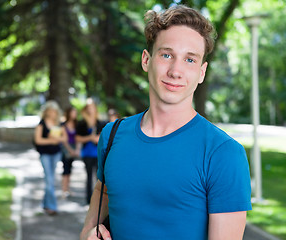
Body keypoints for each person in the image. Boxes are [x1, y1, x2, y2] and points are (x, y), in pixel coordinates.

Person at [80, 5, 252, 240]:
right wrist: (86, 234)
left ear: (201, 73)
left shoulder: (223, 154)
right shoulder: (112, 135)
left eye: (190, 59)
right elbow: (103, 191)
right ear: (146, 60)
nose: (176, 71)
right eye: (167, 55)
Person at [34, 100, 65, 216]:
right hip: (45, 154)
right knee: (49, 180)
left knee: (50, 179)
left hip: (56, 153)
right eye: (50, 111)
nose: (52, 113)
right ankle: (52, 206)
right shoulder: (41, 124)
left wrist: (57, 139)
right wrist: (50, 140)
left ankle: (45, 203)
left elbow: (65, 139)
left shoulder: (59, 124)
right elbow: (38, 140)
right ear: (46, 112)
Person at [76, 98, 106, 204]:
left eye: (92, 107)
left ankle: (99, 200)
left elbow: (103, 138)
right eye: (88, 108)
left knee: (100, 178)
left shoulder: (101, 122)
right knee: (89, 177)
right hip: (87, 154)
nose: (90, 110)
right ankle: (89, 200)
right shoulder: (82, 123)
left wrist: (96, 138)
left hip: (98, 154)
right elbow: (78, 138)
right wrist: (90, 138)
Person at [60, 106, 80, 199]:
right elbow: (64, 140)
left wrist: (77, 149)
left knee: (70, 169)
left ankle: (68, 189)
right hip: (66, 149)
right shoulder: (63, 125)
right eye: (73, 112)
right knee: (66, 169)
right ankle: (64, 190)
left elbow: (78, 138)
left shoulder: (77, 125)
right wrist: (71, 150)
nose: (74, 114)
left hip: (74, 147)